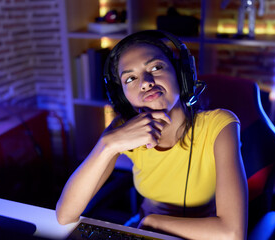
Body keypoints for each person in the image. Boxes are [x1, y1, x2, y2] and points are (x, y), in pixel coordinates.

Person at [56, 30, 248, 240]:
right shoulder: (125, 130)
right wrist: (108, 144)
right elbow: (65, 215)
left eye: (156, 67)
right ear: (122, 96)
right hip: (141, 233)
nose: (145, 82)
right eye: (130, 78)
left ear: (180, 73)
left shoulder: (220, 125)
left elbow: (232, 234)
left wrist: (152, 222)